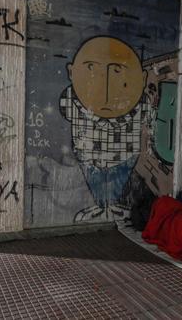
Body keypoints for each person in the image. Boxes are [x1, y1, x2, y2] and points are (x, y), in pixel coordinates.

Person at [59, 36, 152, 222]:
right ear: (71, 72)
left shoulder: (141, 103)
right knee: (97, 179)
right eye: (92, 68)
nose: (107, 88)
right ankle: (102, 207)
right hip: (93, 154)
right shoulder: (71, 98)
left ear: (142, 79)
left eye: (118, 72)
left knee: (117, 179)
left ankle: (110, 206)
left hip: (122, 153)